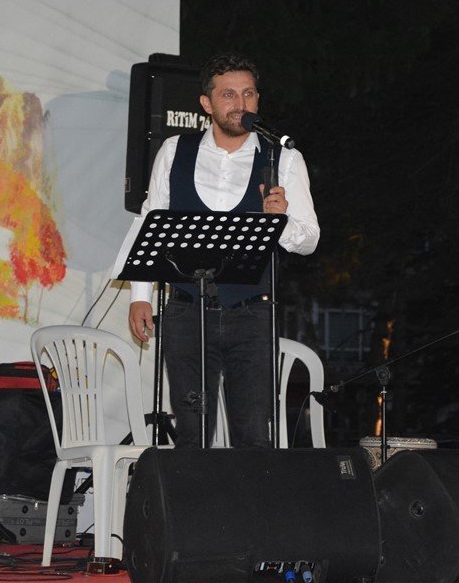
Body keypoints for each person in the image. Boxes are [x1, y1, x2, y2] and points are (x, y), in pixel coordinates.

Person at [127, 53, 319, 448]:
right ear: (206, 103)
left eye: (248, 93)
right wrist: (140, 296)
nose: (240, 103)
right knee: (192, 434)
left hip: (251, 315)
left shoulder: (284, 158)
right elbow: (150, 222)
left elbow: (309, 239)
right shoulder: (174, 151)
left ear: (258, 99)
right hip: (185, 311)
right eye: (228, 94)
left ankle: (252, 493)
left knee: (253, 434)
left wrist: (280, 221)